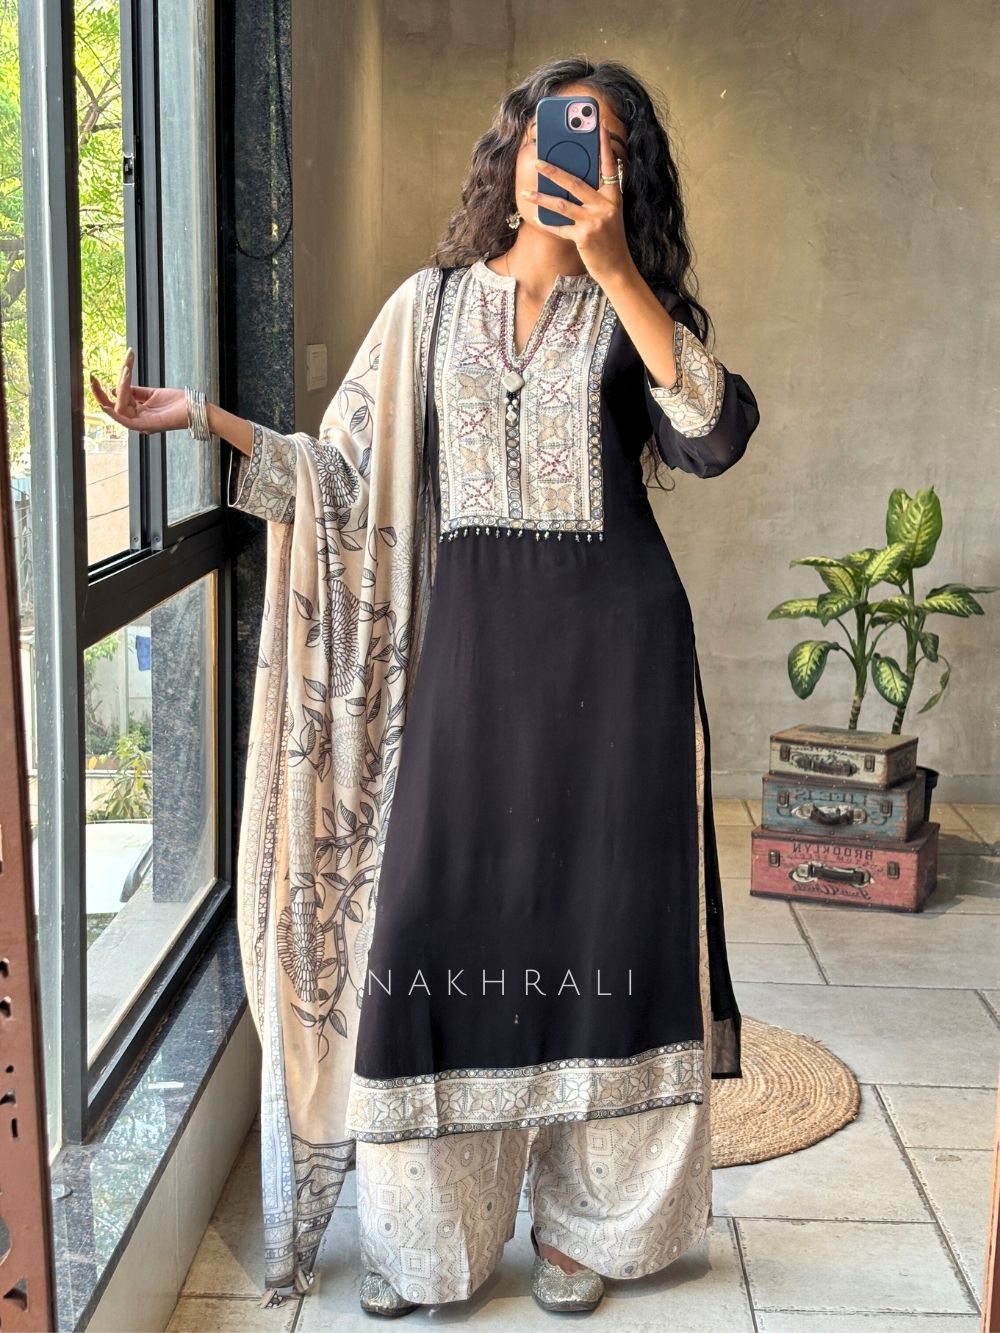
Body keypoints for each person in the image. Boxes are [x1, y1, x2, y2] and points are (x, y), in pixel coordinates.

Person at [91, 55, 759, 1320]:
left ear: (627, 178)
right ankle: (431, 1239)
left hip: (621, 669)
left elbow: (714, 435)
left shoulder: (636, 311)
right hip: (471, 675)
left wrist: (618, 269)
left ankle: (587, 1232)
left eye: (605, 147)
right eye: (553, 137)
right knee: (444, 929)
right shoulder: (429, 308)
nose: (572, 161)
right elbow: (341, 481)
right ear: (512, 151)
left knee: (609, 930)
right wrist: (204, 421)